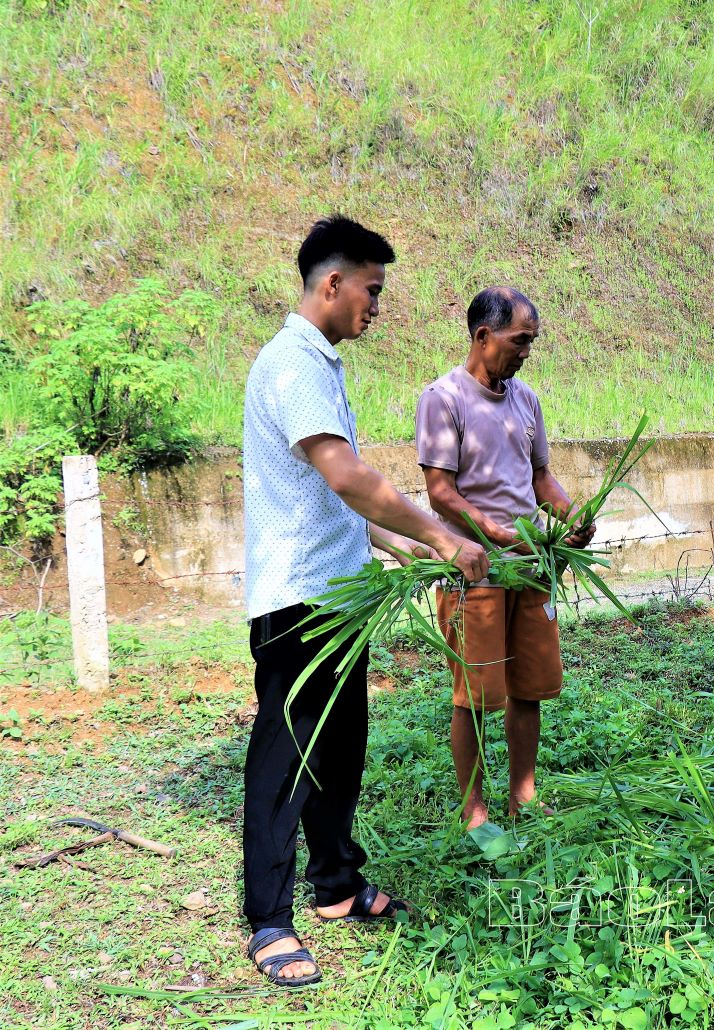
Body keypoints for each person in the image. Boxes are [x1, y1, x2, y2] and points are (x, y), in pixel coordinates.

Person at [241, 215, 490, 988]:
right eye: (372, 291)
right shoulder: (294, 364)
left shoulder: (318, 364)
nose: (376, 307)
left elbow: (332, 496)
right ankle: (269, 919)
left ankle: (337, 884)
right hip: (299, 599)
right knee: (287, 758)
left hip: (337, 595)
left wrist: (396, 544)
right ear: (333, 284)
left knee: (339, 750)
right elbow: (347, 476)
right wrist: (445, 538)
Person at [416, 286, 593, 829]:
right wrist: (496, 535)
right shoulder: (443, 398)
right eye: (520, 341)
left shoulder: (526, 399)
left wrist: (568, 516)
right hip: (475, 569)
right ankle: (474, 812)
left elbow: (540, 477)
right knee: (473, 695)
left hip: (531, 565)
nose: (525, 353)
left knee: (529, 685)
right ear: (483, 335)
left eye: (531, 343)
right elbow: (441, 492)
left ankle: (524, 794)